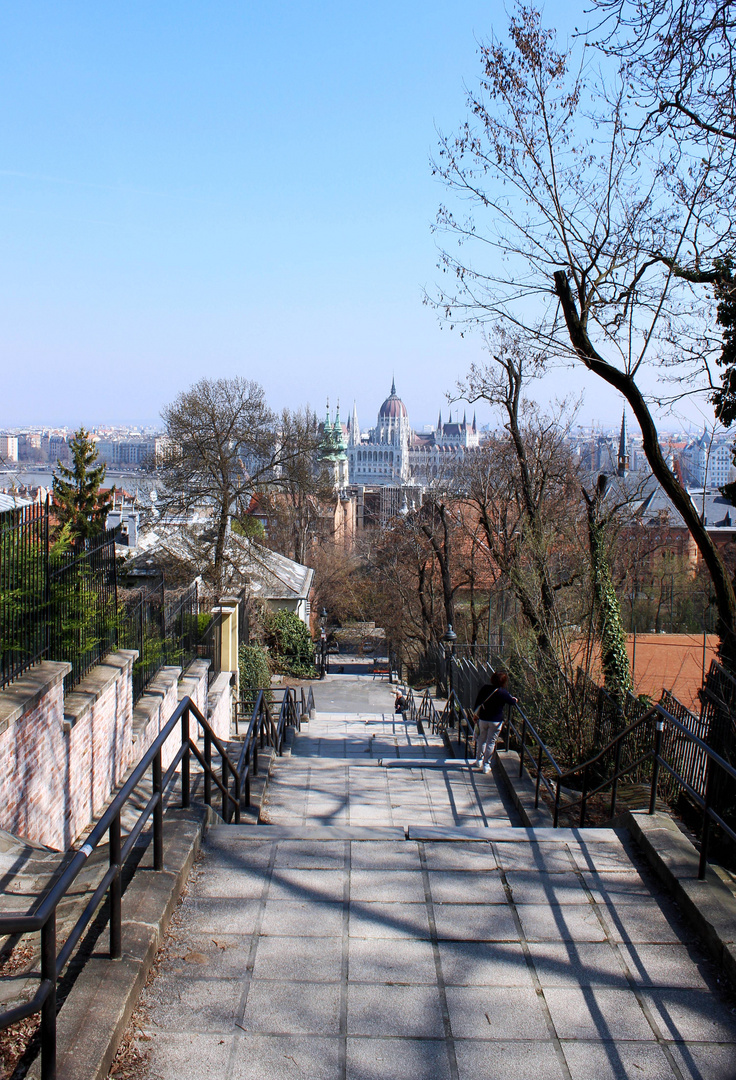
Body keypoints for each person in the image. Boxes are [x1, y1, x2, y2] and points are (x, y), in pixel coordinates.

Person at [471, 671, 517, 773]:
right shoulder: (502, 692)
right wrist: (514, 699)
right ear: (504, 682)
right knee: (491, 742)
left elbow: (478, 701)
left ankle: (478, 760)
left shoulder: (485, 688)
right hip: (496, 721)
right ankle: (486, 765)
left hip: (483, 718)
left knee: (481, 739)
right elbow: (512, 702)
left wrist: (475, 715)